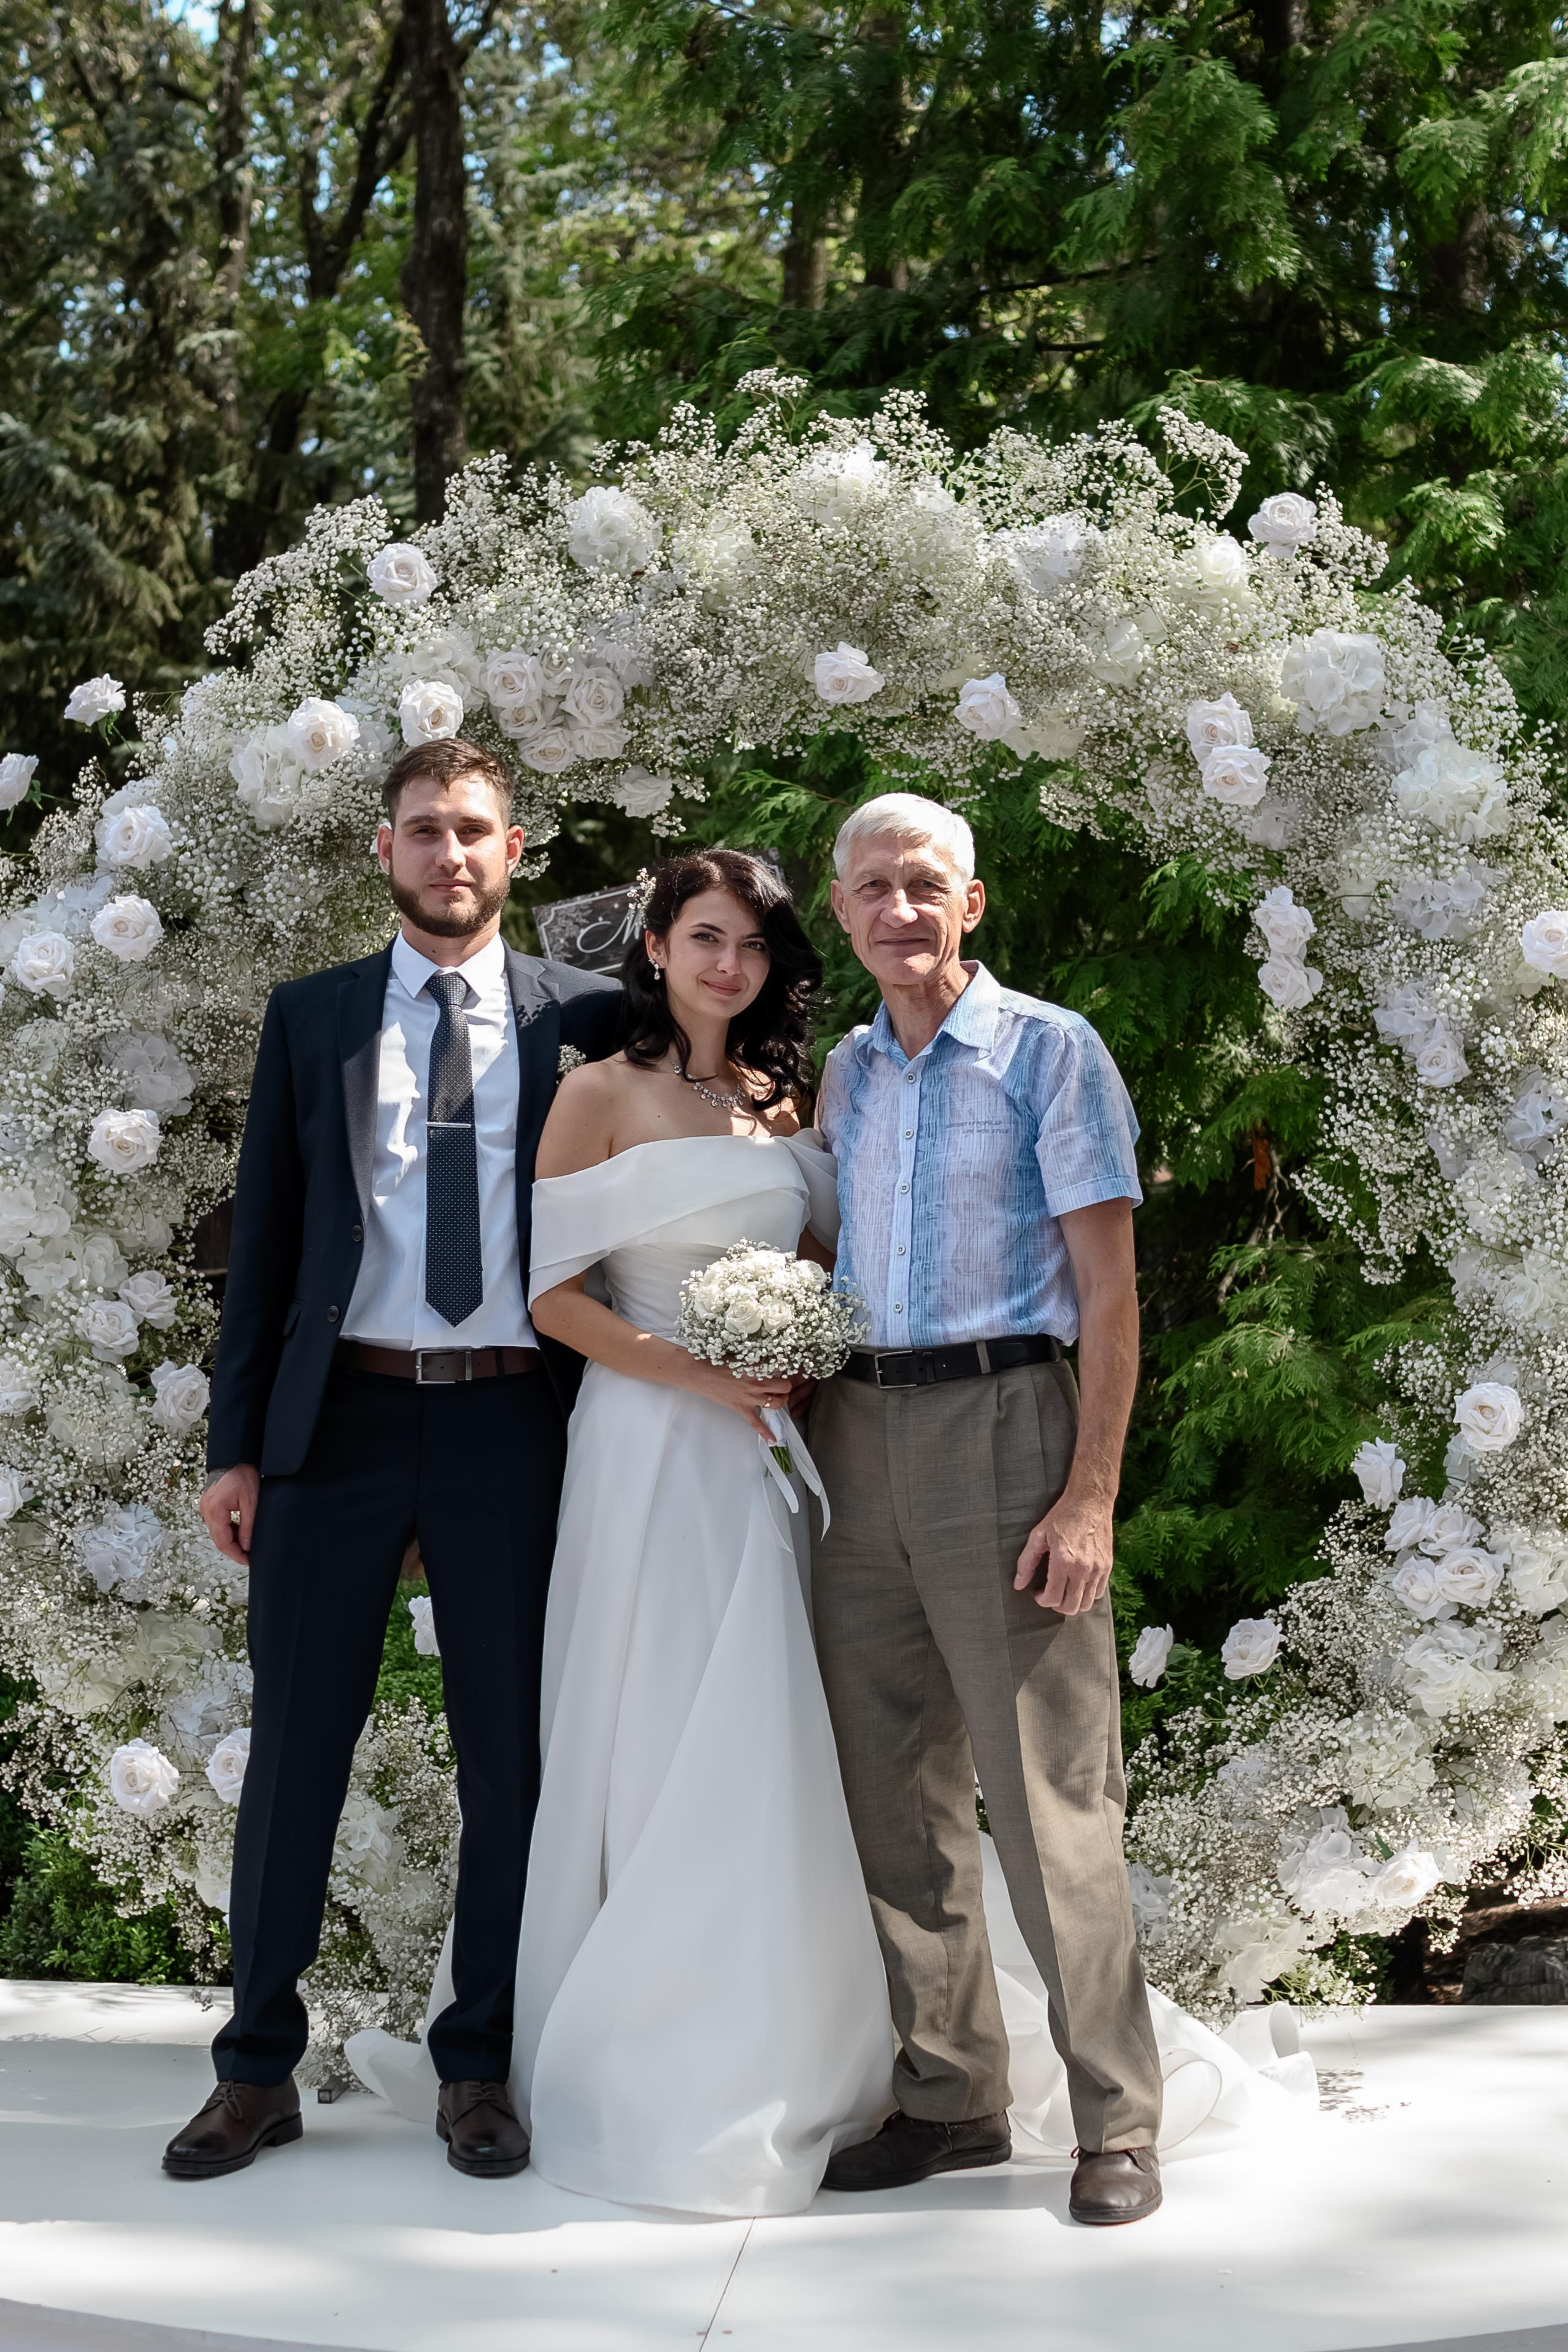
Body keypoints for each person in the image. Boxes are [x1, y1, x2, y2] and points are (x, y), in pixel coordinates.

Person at [349, 850, 894, 2215]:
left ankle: (785, 2022)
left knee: (772, 1717)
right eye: (706, 938)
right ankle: (634, 2036)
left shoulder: (784, 1103)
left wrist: (794, 1348)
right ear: (653, 947)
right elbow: (552, 1296)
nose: (731, 966)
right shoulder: (596, 1094)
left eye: (756, 948)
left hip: (770, 1452)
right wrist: (702, 1371)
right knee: (649, 1716)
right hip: (650, 1447)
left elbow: (820, 1260)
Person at [161, 738, 621, 2183]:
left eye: (474, 830)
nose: (450, 854)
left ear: (516, 847)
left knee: (513, 1761)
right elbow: (270, 1250)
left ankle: (477, 2066)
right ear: (385, 852)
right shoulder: (312, 1019)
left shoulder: (585, 1019)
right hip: (337, 1426)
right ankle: (255, 2072)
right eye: (424, 830)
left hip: (513, 1423)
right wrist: (238, 1448)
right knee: (297, 1754)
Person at [809, 790, 1167, 2228]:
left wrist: (1089, 1495)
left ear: (972, 905)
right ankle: (953, 2097)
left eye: (926, 883)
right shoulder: (845, 1070)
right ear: (841, 911)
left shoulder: (1048, 1053)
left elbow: (1111, 1294)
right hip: (857, 1435)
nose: (900, 906)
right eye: (874, 885)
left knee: (1047, 1803)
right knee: (892, 1799)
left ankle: (1117, 2121)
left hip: (1007, 1425)